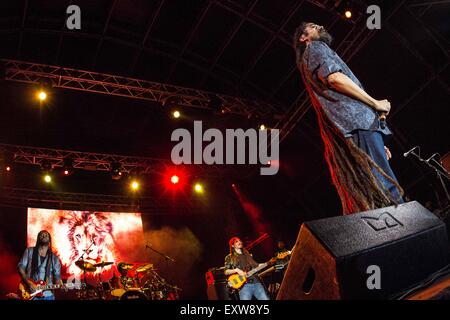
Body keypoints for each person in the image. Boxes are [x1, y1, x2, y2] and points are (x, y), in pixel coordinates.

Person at [292, 22, 404, 214]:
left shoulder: (307, 60)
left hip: (356, 128)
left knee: (373, 185)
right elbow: (334, 78)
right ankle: (408, 227)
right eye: (312, 25)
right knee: (386, 186)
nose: (320, 25)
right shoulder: (316, 47)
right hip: (358, 123)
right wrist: (375, 103)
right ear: (304, 38)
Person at [17, 230, 64, 300]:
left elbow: (57, 278)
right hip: (30, 293)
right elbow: (20, 267)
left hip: (48, 295)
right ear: (38, 238)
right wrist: (28, 283)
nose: (44, 236)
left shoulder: (55, 258)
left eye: (46, 235)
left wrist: (62, 286)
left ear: (49, 240)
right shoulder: (29, 251)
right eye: (41, 235)